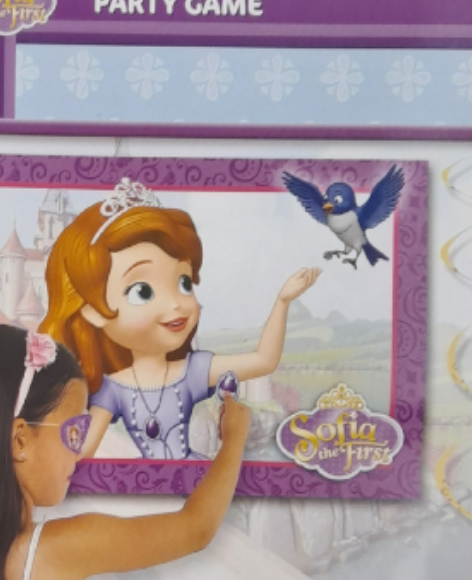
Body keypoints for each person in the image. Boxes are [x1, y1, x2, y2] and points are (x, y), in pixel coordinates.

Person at [0, 324, 251, 580]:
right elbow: (195, 528)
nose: (78, 451)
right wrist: (235, 438)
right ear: (20, 440)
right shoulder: (57, 549)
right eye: (74, 431)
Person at [39, 178, 321, 461]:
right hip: (146, 484)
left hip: (193, 475)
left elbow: (263, 361)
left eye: (184, 283)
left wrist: (282, 302)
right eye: (143, 291)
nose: (175, 303)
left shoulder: (193, 371)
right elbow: (83, 451)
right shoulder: (113, 388)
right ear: (95, 312)